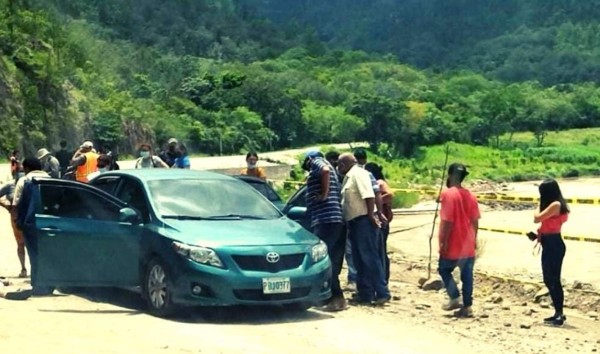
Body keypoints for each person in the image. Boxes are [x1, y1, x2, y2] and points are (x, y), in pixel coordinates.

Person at [337, 153, 390, 306]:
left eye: (340, 164)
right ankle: (365, 293)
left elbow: (369, 195)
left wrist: (372, 216)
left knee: (370, 258)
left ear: (345, 163)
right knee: (359, 260)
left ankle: (382, 292)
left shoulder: (358, 174)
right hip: (354, 222)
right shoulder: (350, 176)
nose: (338, 167)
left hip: (363, 221)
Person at [303, 150, 347, 311]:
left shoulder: (316, 161)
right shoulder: (329, 168)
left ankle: (335, 298)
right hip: (334, 220)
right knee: (331, 260)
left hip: (326, 220)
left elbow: (325, 171)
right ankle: (332, 297)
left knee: (321, 259)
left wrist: (323, 194)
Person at [438, 163, 480, 318]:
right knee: (467, 275)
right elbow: (475, 221)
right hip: (467, 243)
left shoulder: (448, 195)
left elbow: (447, 221)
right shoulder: (471, 195)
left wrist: (444, 241)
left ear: (450, 176)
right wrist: (474, 239)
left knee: (444, 269)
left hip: (453, 242)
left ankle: (455, 296)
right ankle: (467, 307)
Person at [534, 179, 569, 326]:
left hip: (554, 243)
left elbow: (537, 218)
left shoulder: (555, 205)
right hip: (549, 242)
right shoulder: (553, 205)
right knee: (549, 279)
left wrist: (538, 205)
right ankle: (557, 312)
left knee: (554, 279)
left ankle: (559, 313)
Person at [16, 159, 53, 296]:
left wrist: (18, 223)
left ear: (26, 168)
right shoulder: (51, 180)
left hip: (31, 224)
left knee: (34, 255)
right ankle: (50, 283)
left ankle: (37, 284)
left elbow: (17, 204)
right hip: (51, 224)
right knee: (49, 254)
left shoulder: (23, 181)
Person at [365, 162, 394, 284]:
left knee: (380, 251)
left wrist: (375, 202)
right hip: (382, 221)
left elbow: (390, 195)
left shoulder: (380, 183)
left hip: (382, 222)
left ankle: (383, 278)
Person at [0, 169, 28, 278]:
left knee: (33, 243)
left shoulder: (29, 184)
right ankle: (23, 268)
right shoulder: (9, 185)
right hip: (16, 217)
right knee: (20, 243)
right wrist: (7, 206)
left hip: (29, 216)